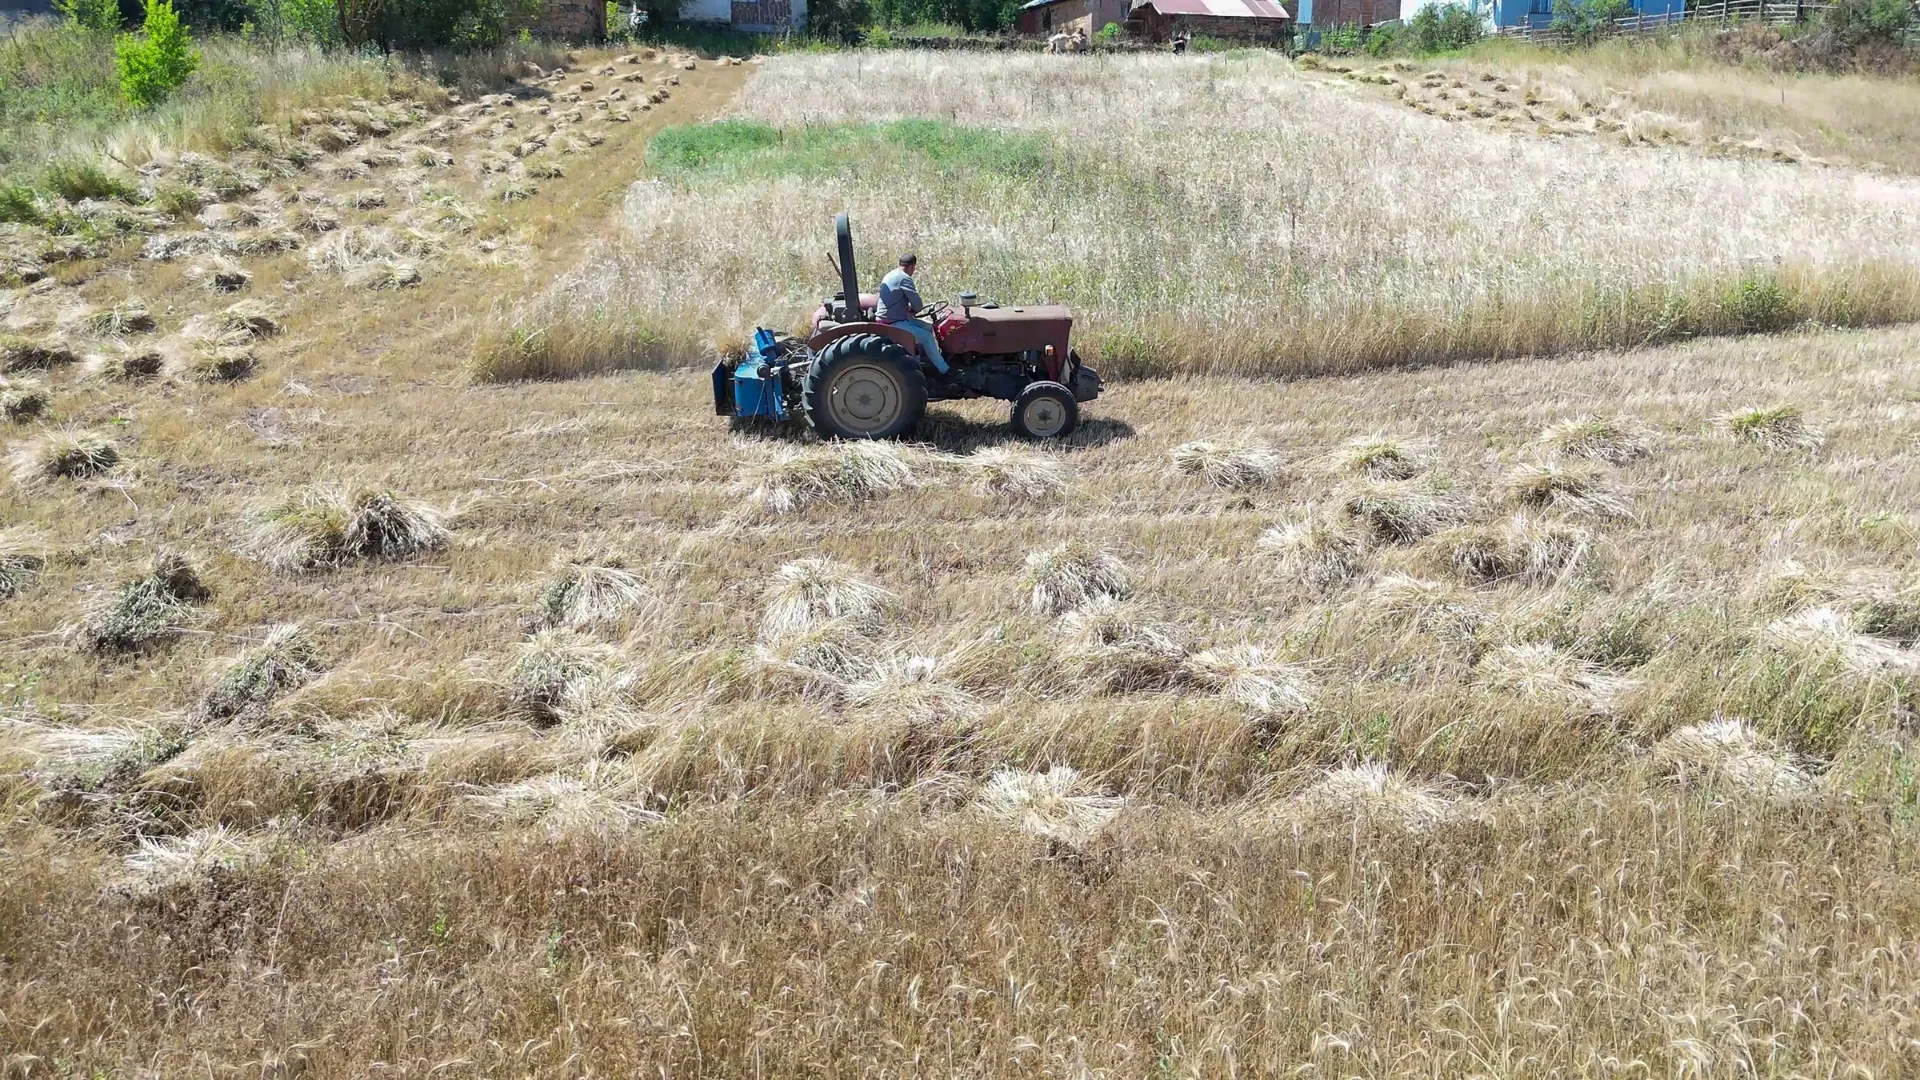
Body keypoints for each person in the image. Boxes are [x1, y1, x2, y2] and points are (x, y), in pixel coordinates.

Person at [877, 253, 949, 374]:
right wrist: (913, 310)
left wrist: (910, 310)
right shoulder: (904, 278)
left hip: (894, 317)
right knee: (926, 337)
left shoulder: (891, 274)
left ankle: (926, 361)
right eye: (914, 269)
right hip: (892, 322)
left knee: (928, 327)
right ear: (912, 267)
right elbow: (918, 305)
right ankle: (945, 370)